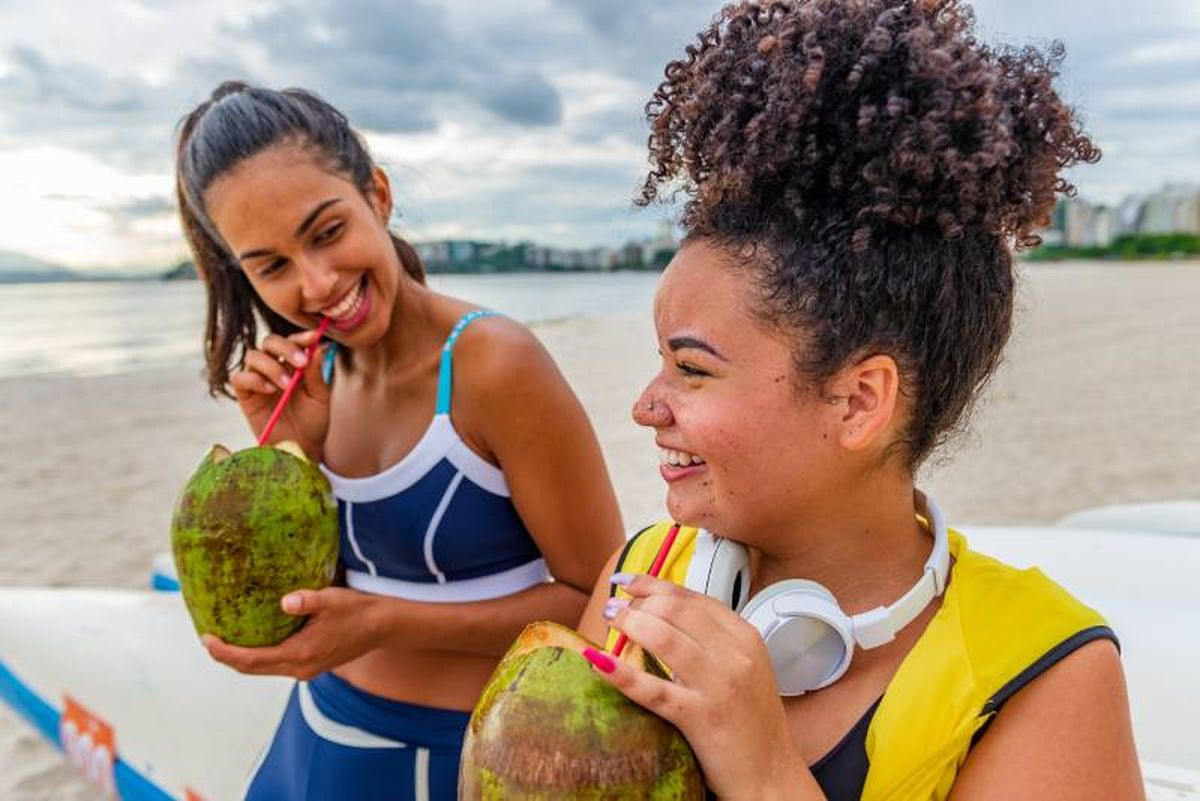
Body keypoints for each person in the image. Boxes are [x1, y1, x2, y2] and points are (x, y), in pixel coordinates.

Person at [574, 1, 1144, 798]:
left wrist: (765, 768)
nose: (646, 404)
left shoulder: (1042, 668)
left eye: (692, 369)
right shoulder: (643, 577)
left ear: (857, 402)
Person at [174, 82, 624, 799]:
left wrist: (381, 623)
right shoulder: (311, 385)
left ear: (377, 196)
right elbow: (313, 604)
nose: (317, 284)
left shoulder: (494, 364)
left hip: (467, 755)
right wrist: (291, 460)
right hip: (314, 734)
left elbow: (601, 601)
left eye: (326, 232)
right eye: (271, 266)